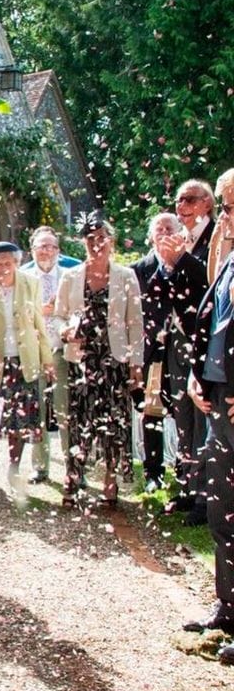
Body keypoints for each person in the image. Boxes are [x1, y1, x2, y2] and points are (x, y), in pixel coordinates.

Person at [55, 213, 144, 508]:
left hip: (114, 360)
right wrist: (66, 330)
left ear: (112, 241)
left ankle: (110, 479)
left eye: (102, 239)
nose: (97, 245)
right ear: (84, 243)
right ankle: (73, 478)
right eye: (91, 240)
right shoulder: (70, 277)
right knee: (79, 420)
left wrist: (135, 366)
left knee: (114, 422)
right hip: (83, 359)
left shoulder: (126, 276)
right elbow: (58, 316)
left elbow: (136, 324)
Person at [185, 169, 234, 664]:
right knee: (223, 509)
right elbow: (213, 322)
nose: (222, 215)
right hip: (219, 400)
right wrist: (199, 375)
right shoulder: (229, 257)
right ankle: (227, 606)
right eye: (221, 206)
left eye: (229, 206)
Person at [131, 213, 208, 507]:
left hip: (185, 349)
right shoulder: (141, 268)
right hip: (154, 351)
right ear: (151, 236)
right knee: (152, 411)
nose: (164, 233)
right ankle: (155, 473)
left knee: (187, 415)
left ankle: (189, 478)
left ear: (181, 234)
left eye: (170, 228)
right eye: (158, 229)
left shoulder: (192, 263)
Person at [0, 242, 54, 486]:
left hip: (23, 361)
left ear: (16, 263)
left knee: (21, 420)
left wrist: (47, 360)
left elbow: (38, 323)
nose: (2, 268)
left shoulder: (30, 284)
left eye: (7, 263)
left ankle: (14, 468)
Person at [20, 226, 74, 483]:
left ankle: (73, 468)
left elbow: (77, 311)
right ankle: (40, 467)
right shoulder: (22, 277)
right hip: (35, 352)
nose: (47, 251)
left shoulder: (70, 276)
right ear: (33, 250)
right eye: (42, 246)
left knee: (66, 411)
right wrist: (39, 311)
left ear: (58, 250)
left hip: (62, 352)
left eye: (52, 246)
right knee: (37, 411)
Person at [174, 179, 215, 263]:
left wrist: (183, 257)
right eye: (180, 200)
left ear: (207, 205)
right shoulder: (176, 237)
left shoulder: (219, 236)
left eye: (190, 200)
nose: (182, 206)